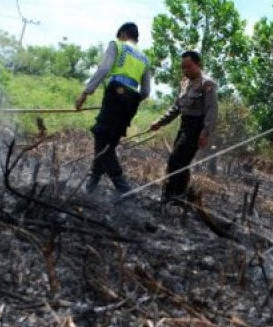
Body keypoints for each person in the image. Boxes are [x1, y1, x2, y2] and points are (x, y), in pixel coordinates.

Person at [75, 22, 151, 194]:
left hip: (116, 93)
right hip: (132, 101)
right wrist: (129, 101)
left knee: (102, 139)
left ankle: (124, 190)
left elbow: (103, 69)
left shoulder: (117, 44)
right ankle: (90, 188)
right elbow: (145, 91)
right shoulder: (145, 59)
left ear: (123, 34)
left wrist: (85, 93)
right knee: (107, 146)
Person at [149, 51, 218, 204]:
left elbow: (212, 111)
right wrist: (159, 122)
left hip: (196, 127)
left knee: (175, 160)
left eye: (189, 67)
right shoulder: (184, 83)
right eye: (183, 68)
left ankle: (169, 195)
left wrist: (205, 133)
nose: (185, 70)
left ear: (198, 65)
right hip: (184, 125)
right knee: (182, 162)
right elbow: (176, 107)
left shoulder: (207, 83)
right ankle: (179, 196)